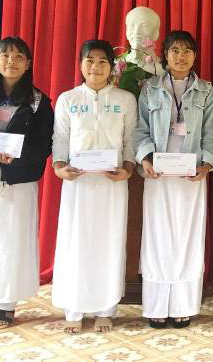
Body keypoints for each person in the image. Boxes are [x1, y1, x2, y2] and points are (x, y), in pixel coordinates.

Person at [0, 37, 53, 330]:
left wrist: (18, 159)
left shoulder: (39, 101)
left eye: (19, 57)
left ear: (28, 63)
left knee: (14, 241)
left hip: (19, 183)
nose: (11, 62)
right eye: (5, 56)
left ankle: (7, 304)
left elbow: (44, 144)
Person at [52, 39, 137, 333]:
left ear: (111, 67)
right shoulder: (68, 99)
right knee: (76, 241)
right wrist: (60, 167)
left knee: (109, 241)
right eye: (90, 60)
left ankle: (105, 309)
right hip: (78, 183)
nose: (96, 66)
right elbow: (60, 139)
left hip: (112, 184)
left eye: (103, 61)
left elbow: (130, 140)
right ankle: (74, 307)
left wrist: (128, 168)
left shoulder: (125, 99)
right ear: (80, 64)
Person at [134, 30, 213, 329]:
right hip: (158, 174)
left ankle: (183, 304)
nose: (181, 56)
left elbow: (210, 131)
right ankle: (156, 304)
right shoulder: (150, 89)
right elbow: (140, 129)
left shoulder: (206, 90)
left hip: (191, 175)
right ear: (165, 55)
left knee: (188, 237)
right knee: (157, 237)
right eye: (174, 51)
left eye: (187, 51)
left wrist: (206, 164)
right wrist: (145, 159)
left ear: (195, 55)